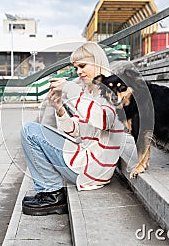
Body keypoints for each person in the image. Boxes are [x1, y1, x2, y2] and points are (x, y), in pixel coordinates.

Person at [20, 42, 126, 216]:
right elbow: (76, 131)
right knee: (34, 130)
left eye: (83, 66)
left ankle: (51, 192)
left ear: (97, 61)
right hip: (89, 161)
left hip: (93, 168)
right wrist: (60, 109)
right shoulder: (92, 92)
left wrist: (70, 88)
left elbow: (103, 120)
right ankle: (50, 190)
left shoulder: (111, 90)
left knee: (30, 131)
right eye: (76, 67)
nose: (79, 72)